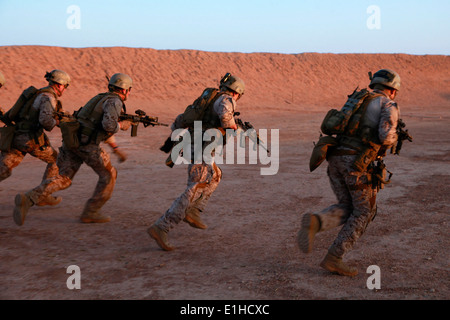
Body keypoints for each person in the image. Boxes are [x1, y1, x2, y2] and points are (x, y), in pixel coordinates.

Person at [297, 69, 402, 276]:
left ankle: (316, 222)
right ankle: (334, 258)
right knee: (365, 212)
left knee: (348, 206)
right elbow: (386, 136)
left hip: (335, 158)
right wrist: (396, 137)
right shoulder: (387, 104)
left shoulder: (358, 99)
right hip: (357, 164)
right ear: (392, 90)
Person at [13, 73, 134, 226]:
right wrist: (123, 125)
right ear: (124, 90)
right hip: (88, 146)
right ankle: (91, 212)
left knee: (64, 178)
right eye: (129, 89)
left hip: (73, 142)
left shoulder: (100, 98)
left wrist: (115, 148)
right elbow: (108, 126)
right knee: (109, 175)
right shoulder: (114, 101)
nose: (129, 92)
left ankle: (28, 199)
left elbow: (95, 124)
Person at [148, 73, 245, 251]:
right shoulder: (226, 100)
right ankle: (162, 226)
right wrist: (235, 128)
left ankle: (194, 211)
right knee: (195, 187)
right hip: (202, 149)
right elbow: (225, 118)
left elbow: (181, 119)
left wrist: (174, 138)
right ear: (237, 92)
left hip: (196, 144)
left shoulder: (207, 98)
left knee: (215, 176)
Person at [1, 70, 70, 207]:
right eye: (66, 86)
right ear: (60, 85)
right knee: (56, 160)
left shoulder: (37, 93)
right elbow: (45, 121)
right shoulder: (49, 97)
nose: (65, 89)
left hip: (16, 136)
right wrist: (59, 122)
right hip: (31, 140)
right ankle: (44, 195)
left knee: (4, 169)